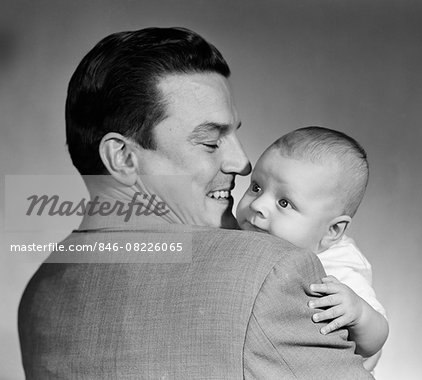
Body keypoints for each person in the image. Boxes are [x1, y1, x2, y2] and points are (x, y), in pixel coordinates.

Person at [18, 28, 373, 379]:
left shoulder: (38, 295)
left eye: (234, 134)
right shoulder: (269, 271)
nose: (243, 163)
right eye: (210, 141)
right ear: (123, 158)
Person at [236, 126, 389, 372]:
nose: (258, 205)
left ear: (332, 231)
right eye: (256, 187)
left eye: (284, 202)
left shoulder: (339, 269)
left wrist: (358, 312)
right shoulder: (249, 233)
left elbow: (377, 339)